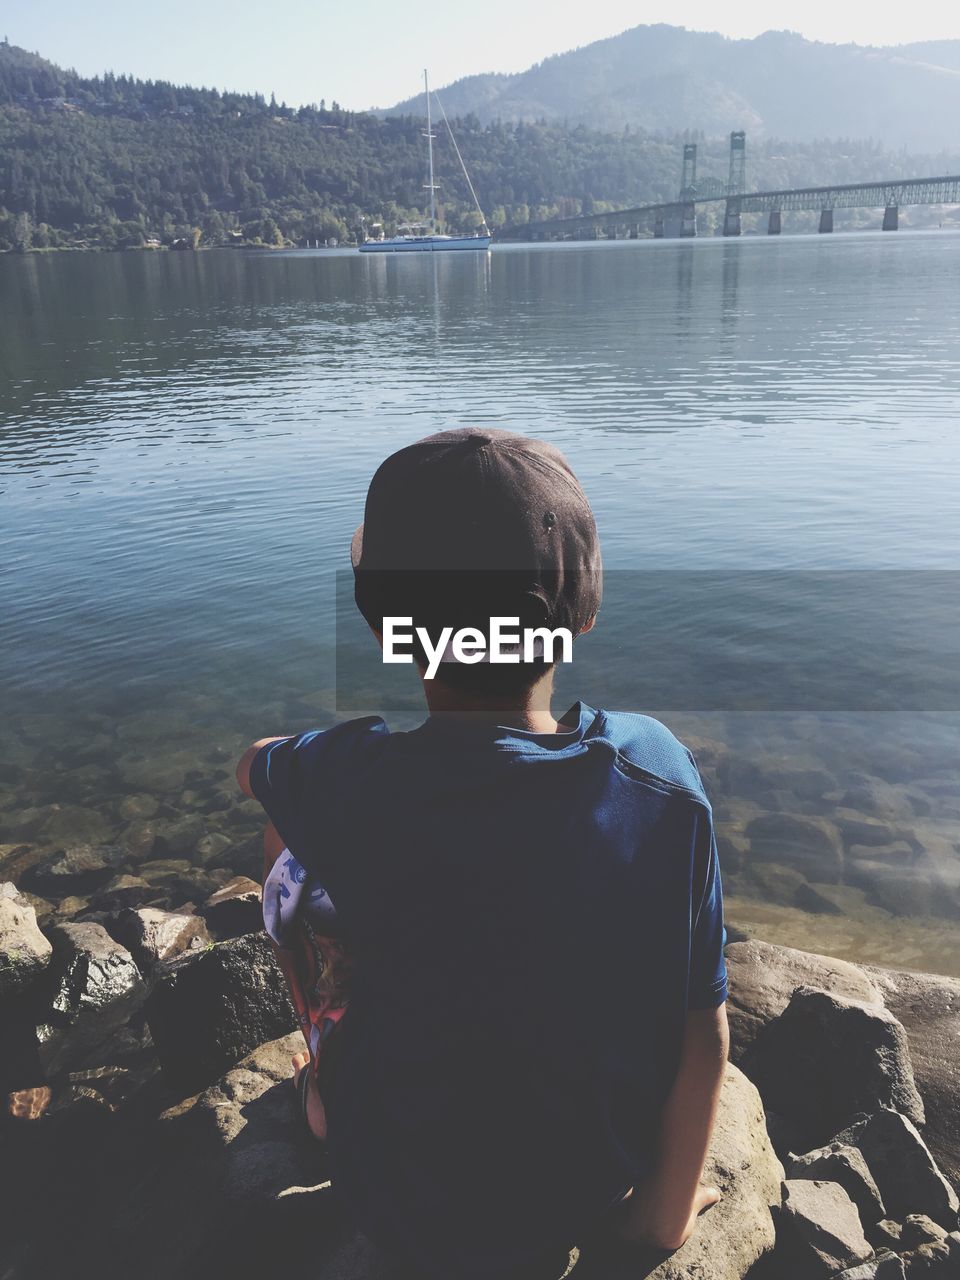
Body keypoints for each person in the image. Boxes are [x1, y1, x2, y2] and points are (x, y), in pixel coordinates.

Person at [237, 428, 729, 1280]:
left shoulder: (349, 776)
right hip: (590, 1184)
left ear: (387, 627)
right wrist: (663, 1215)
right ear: (584, 616)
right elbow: (703, 1028)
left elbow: (252, 766)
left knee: (285, 838)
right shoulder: (659, 773)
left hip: (394, 1198)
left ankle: (324, 1085)